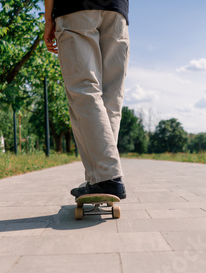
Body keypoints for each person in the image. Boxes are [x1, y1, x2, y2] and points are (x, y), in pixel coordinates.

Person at [44, 0, 129, 199]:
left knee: (84, 90)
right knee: (111, 96)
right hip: (117, 12)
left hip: (76, 9)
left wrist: (48, 19)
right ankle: (101, 176)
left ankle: (107, 178)